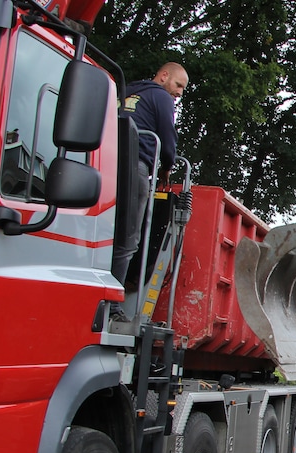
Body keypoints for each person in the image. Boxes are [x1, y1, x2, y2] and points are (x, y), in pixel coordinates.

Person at [111, 61, 189, 325]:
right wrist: (167, 166)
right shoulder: (161, 97)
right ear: (163, 76)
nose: (179, 93)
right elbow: (168, 140)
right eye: (178, 85)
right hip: (135, 168)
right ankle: (110, 304)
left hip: (107, 163)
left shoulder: (125, 91)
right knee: (127, 240)